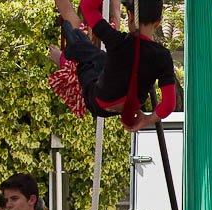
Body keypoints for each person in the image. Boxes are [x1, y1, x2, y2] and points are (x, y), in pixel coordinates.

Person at [50, 0, 175, 132]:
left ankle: (73, 47)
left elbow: (87, 7)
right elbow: (168, 104)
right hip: (129, 105)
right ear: (158, 22)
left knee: (88, 59)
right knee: (99, 57)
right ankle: (76, 43)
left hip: (97, 100)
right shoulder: (163, 56)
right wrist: (146, 120)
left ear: (130, 16)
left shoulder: (118, 41)